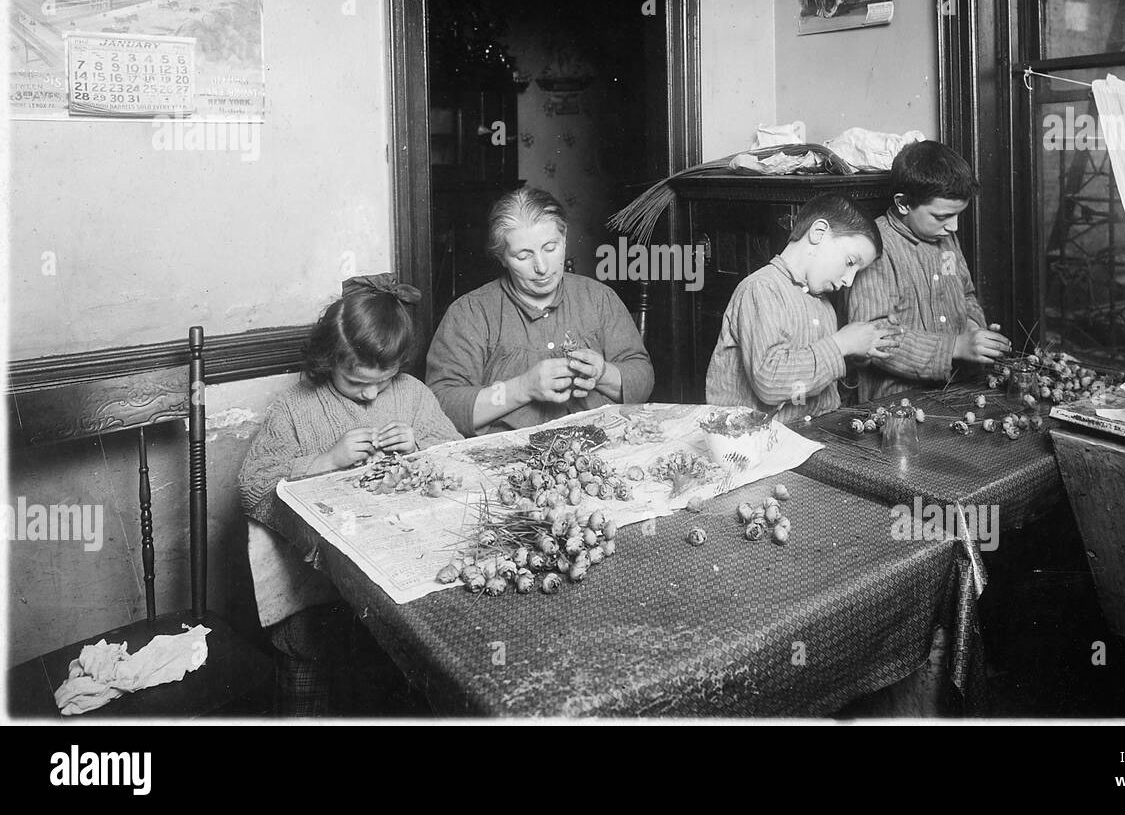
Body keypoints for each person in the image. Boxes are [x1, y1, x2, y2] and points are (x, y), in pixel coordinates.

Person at [237, 274, 460, 715]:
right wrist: (324, 461)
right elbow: (252, 485)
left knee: (394, 682)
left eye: (385, 378)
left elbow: (455, 454)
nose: (372, 393)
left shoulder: (412, 395)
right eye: (357, 382)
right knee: (311, 683)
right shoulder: (295, 407)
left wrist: (418, 444)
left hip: (396, 575)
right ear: (328, 360)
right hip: (318, 591)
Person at [426, 186, 654, 435]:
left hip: (601, 446)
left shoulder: (599, 298)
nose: (542, 267)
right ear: (502, 257)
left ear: (565, 239)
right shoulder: (470, 313)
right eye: (523, 256)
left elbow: (642, 378)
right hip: (509, 462)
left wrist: (602, 373)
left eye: (550, 247)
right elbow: (440, 405)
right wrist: (523, 388)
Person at [706, 194, 900, 425]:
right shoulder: (762, 288)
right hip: (755, 441)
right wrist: (841, 344)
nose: (849, 280)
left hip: (813, 433)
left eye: (857, 272)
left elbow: (815, 377)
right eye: (850, 262)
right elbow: (769, 383)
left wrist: (855, 353)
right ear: (818, 233)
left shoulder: (824, 303)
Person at [847, 139, 1012, 401]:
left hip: (958, 385)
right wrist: (954, 347)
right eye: (942, 216)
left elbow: (966, 295)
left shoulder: (945, 238)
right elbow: (874, 336)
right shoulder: (876, 247)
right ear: (903, 204)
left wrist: (972, 327)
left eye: (958, 215)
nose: (954, 227)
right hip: (898, 400)